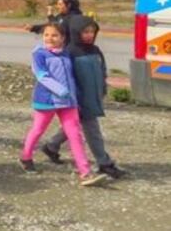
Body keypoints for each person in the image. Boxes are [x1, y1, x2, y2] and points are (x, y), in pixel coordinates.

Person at [19, 23, 109, 186]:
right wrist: (60, 90)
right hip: (47, 100)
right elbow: (42, 76)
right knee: (38, 130)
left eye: (54, 35)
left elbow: (72, 77)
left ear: (63, 38)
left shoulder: (67, 54)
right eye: (46, 35)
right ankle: (25, 157)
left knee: (75, 135)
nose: (49, 38)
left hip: (68, 102)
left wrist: (74, 95)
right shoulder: (39, 54)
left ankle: (85, 172)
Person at [42, 16, 126, 179]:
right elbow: (65, 78)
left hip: (94, 95)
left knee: (76, 123)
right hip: (78, 99)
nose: (89, 35)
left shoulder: (95, 50)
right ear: (75, 32)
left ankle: (51, 146)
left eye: (92, 32)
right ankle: (104, 163)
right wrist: (72, 99)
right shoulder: (69, 53)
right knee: (92, 129)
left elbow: (102, 69)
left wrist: (102, 88)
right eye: (85, 32)